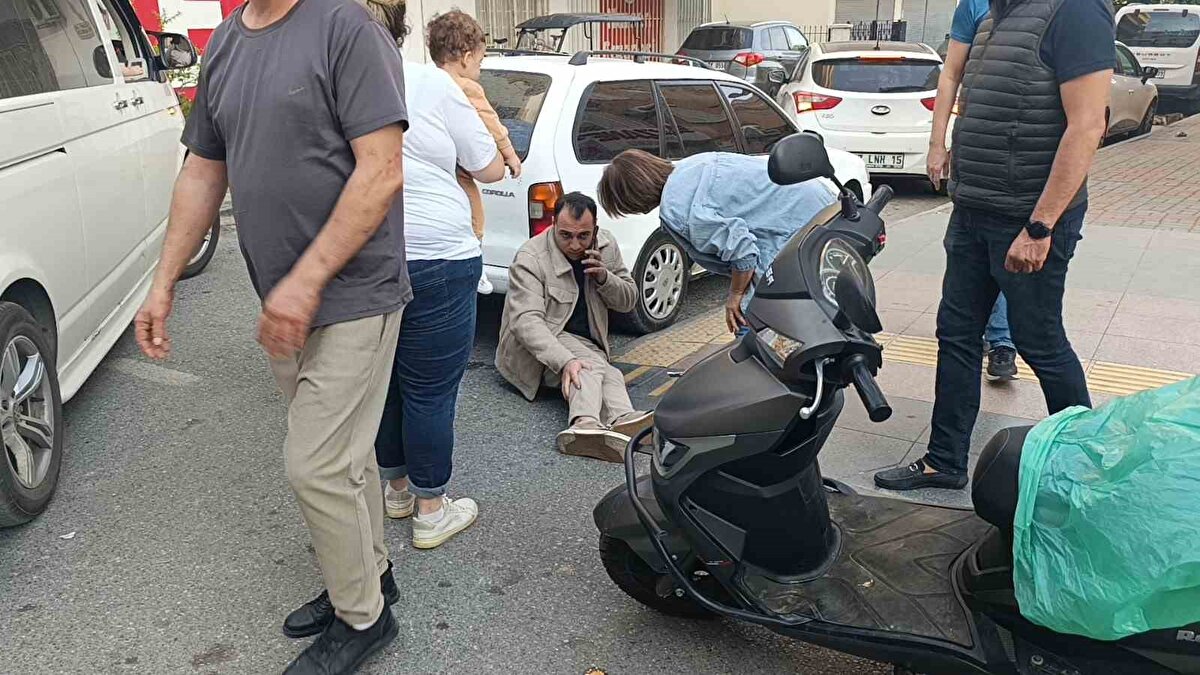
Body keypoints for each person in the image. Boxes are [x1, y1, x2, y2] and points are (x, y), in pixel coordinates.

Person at [134, 0, 410, 668]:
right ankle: (371, 576)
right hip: (283, 302)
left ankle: (363, 618)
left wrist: (307, 280)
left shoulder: (348, 27)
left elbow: (382, 168)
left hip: (353, 291)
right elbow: (203, 169)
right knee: (344, 456)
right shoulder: (226, 42)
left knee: (314, 462)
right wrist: (164, 280)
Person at [875, 0, 1114, 492]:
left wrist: (1041, 227)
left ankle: (1083, 469)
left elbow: (1087, 125)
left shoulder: (1076, 11)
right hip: (973, 211)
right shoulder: (990, 17)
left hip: (1027, 218)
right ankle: (945, 461)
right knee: (957, 335)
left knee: (1039, 341)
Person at [371, 12, 506, 551]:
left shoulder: (328, 82)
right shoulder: (432, 84)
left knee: (386, 383)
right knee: (430, 389)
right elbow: (490, 167)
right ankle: (431, 510)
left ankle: (397, 490)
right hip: (439, 256)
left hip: (369, 252)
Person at [597, 148, 836, 333]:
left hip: (799, 230)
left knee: (747, 321)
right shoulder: (692, 166)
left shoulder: (682, 211)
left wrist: (734, 296)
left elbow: (744, 254)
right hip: (823, 204)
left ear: (632, 198)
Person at [496, 192, 652, 461]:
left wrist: (605, 278)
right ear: (554, 225)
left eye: (583, 236)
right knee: (587, 367)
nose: (575, 244)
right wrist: (565, 361)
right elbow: (526, 322)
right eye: (566, 235)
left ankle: (624, 419)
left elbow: (629, 300)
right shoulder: (531, 257)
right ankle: (584, 425)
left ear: (596, 230)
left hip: (586, 342)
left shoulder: (606, 245)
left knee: (610, 373)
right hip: (542, 345)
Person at [927, 0, 1019, 384]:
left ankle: (1002, 342)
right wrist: (937, 143)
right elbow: (950, 75)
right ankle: (991, 337)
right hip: (973, 166)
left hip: (1021, 171)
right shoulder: (974, 6)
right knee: (957, 323)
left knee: (1010, 269)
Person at [425, 10, 523, 295]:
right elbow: (491, 122)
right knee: (474, 213)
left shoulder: (424, 81)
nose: (480, 68)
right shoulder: (467, 87)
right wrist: (510, 155)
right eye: (480, 61)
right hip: (460, 168)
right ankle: (476, 261)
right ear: (467, 57)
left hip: (435, 166)